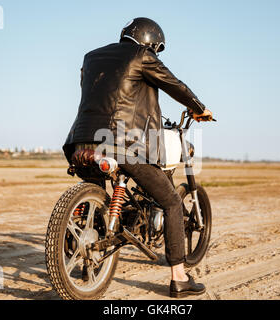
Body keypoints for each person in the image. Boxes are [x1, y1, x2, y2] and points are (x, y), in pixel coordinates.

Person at [63, 17, 213, 298]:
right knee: (170, 200)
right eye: (156, 48)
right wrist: (199, 108)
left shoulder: (91, 57)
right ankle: (179, 278)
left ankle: (82, 256)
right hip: (120, 144)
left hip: (80, 142)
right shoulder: (142, 56)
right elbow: (173, 84)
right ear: (151, 42)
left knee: (99, 190)